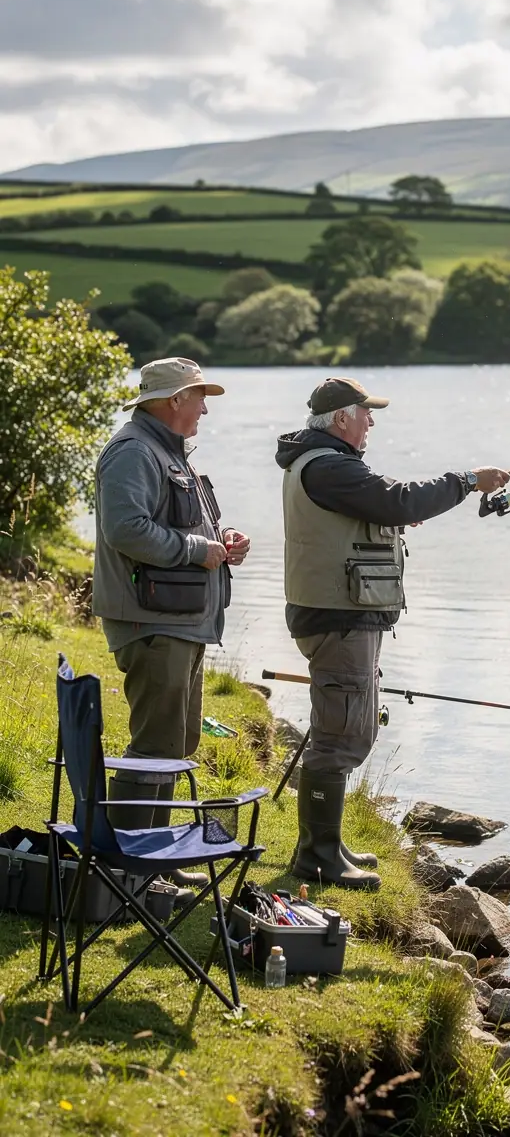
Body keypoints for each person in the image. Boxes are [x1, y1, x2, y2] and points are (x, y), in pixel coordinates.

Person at [276, 376, 509, 891]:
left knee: (348, 729)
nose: (371, 422)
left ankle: (326, 844)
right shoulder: (329, 465)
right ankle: (316, 857)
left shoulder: (322, 463)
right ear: (341, 419)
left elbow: (382, 508)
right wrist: (469, 480)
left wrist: (391, 520)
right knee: (340, 737)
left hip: (342, 614)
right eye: (365, 413)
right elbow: (398, 499)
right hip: (337, 617)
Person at [92, 357, 250, 889]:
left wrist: (223, 543)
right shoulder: (134, 451)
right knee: (155, 748)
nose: (205, 408)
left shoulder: (166, 451)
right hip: (152, 623)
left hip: (179, 623)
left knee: (175, 746)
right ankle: (129, 868)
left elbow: (178, 524)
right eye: (199, 397)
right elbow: (126, 530)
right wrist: (195, 549)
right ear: (174, 400)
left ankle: (152, 857)